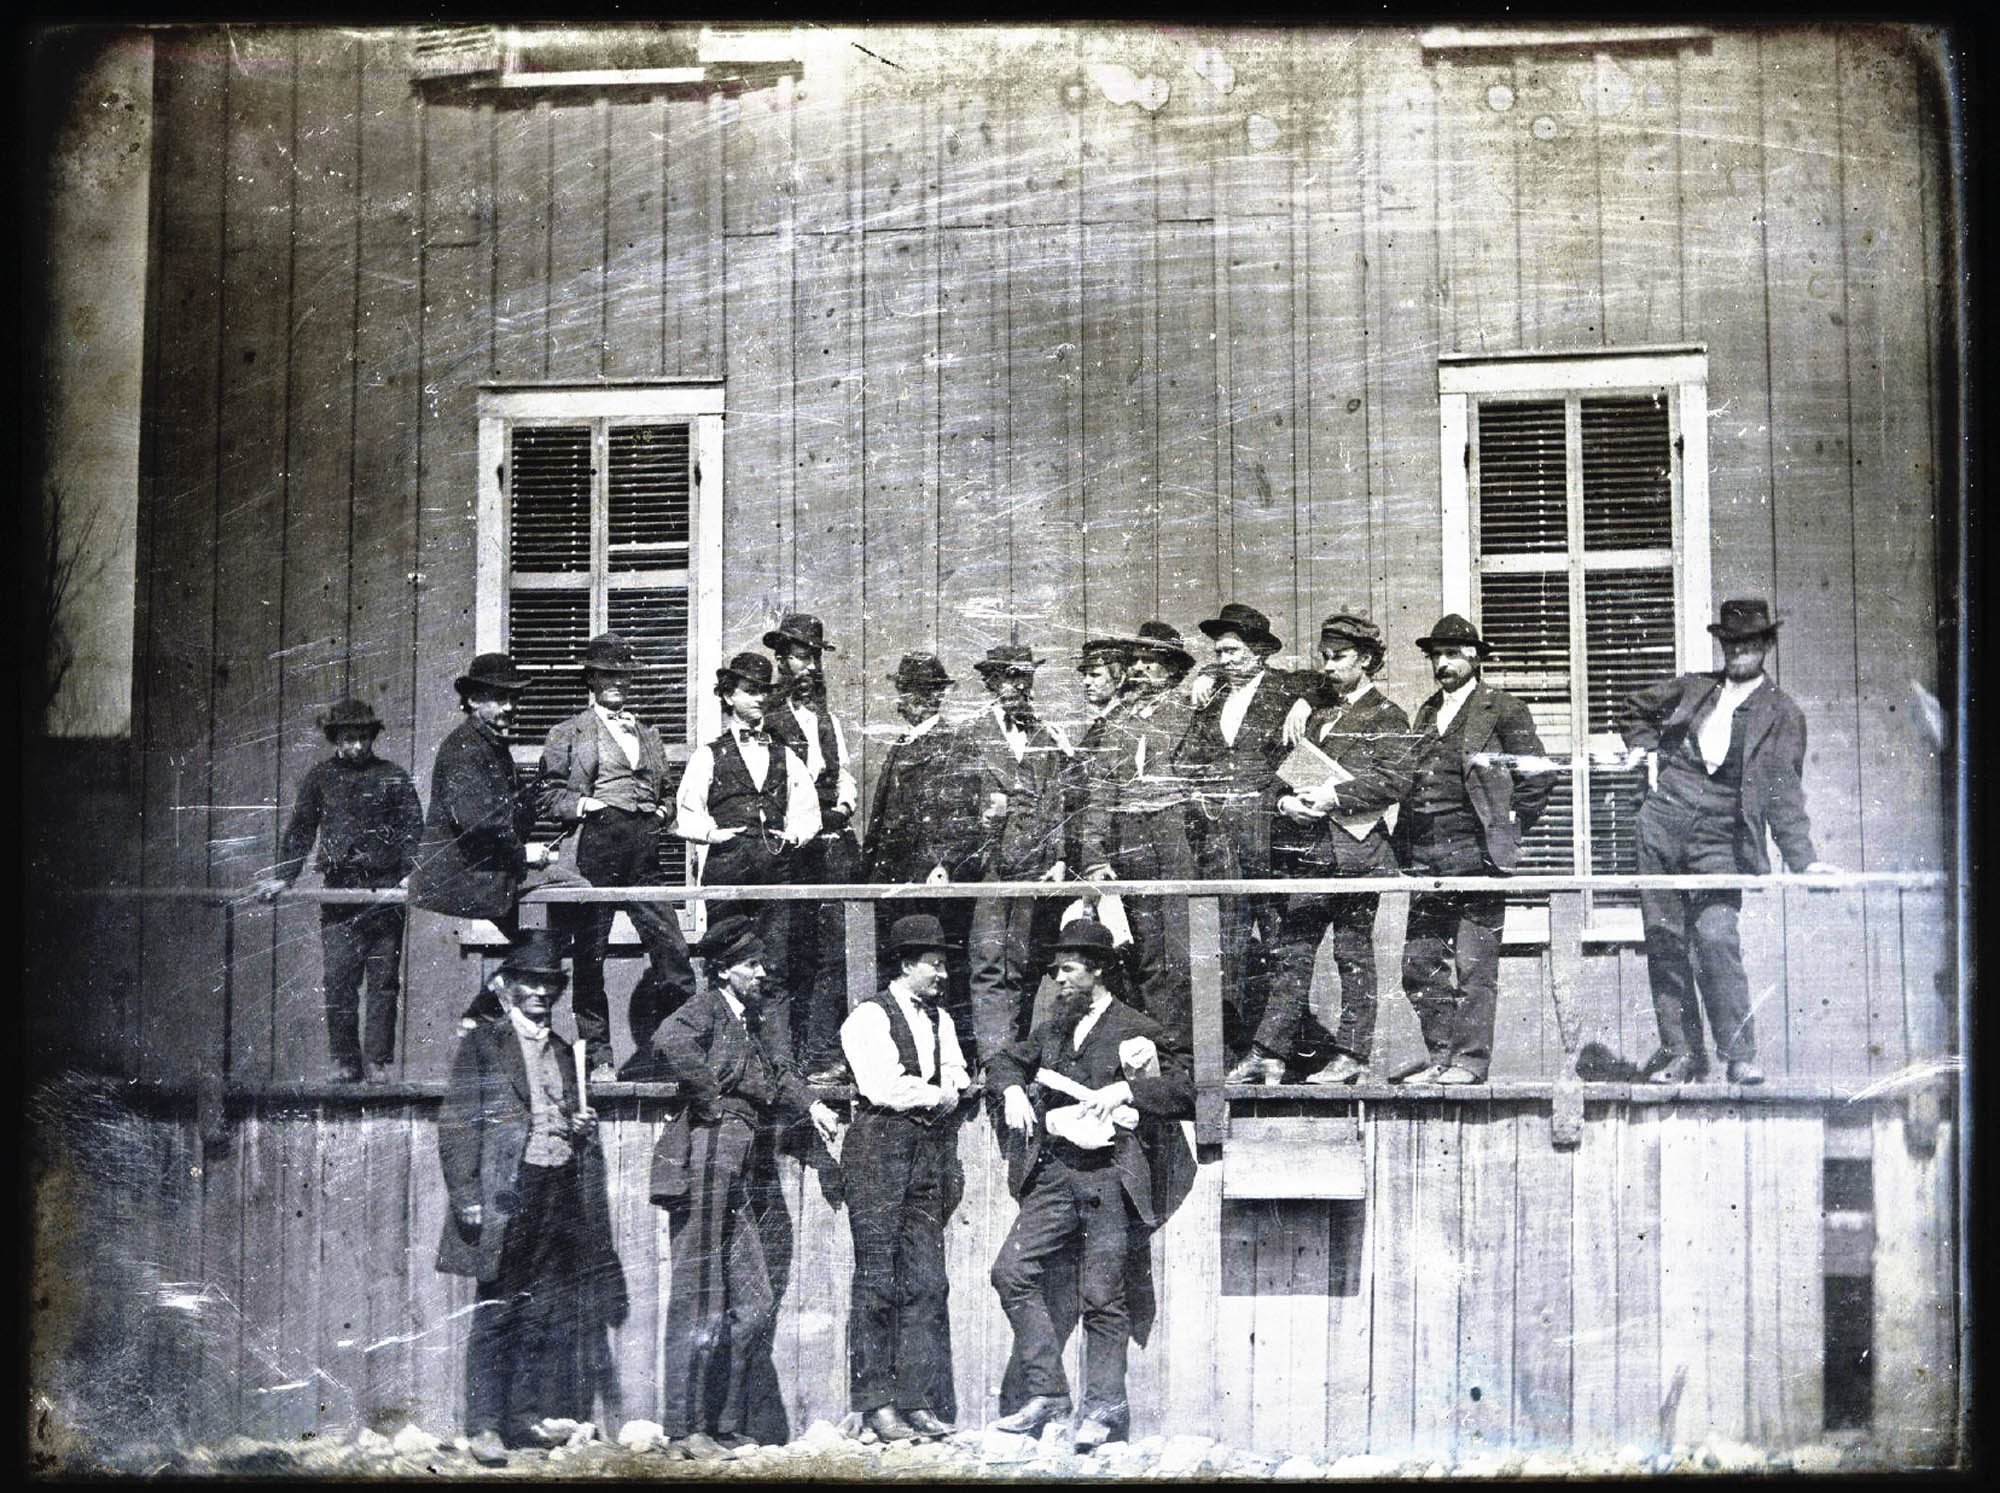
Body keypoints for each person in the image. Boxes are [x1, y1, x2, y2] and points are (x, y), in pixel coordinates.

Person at [987, 920, 1194, 1451]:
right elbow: (1007, 1058)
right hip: (1054, 1176)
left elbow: (1181, 1089)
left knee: (1104, 1296)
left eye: (1070, 970)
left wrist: (1128, 1091)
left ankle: (1104, 1410)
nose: (1059, 979)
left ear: (1099, 970)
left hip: (1108, 1176)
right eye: (1057, 970)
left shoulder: (1134, 1026)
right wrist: (1011, 1089)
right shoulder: (1056, 1026)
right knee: (1011, 1272)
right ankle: (1049, 1394)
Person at [1620, 599, 1840, 1085]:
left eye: (1750, 643)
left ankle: (1739, 1054)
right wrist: (1645, 752)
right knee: (1665, 939)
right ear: (1722, 645)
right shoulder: (1695, 688)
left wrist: (1804, 862)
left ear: (1765, 646)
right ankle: (1680, 1053)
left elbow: (1783, 792)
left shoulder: (1781, 712)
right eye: (1732, 642)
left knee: (1716, 937)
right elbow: (1635, 707)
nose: (1739, 651)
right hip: (1661, 824)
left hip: (1722, 837)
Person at [647, 925, 843, 1456]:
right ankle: (687, 1429)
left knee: (753, 1301)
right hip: (708, 1156)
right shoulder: (708, 1006)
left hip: (738, 1165)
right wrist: (710, 1098)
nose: (762, 973)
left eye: (761, 964)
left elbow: (777, 1082)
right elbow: (669, 1039)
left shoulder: (746, 1022)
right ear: (725, 969)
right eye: (752, 965)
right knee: (700, 1294)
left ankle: (723, 1422)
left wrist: (814, 1107)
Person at [435, 935, 613, 1465]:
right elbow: (458, 1123)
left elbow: (567, 1122)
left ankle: (520, 1418)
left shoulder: (562, 1051)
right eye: (530, 983)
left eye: (549, 983)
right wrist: (466, 1194)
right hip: (506, 1191)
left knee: (541, 1310)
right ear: (508, 989)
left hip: (556, 1187)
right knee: (497, 1308)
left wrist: (582, 1126)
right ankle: (484, 1425)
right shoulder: (484, 1044)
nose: (540, 991)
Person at [1394, 614, 1556, 1085]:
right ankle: (1440, 1056)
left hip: (1478, 856)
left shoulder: (1502, 708)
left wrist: (1511, 824)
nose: (1443, 664)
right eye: (1436, 656)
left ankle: (1469, 1062)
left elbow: (1539, 774)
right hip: (1427, 857)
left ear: (1475, 658)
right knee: (1418, 964)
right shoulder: (1427, 712)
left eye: (1452, 654)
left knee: (1474, 966)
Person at [1257, 613, 1416, 1085]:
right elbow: (1278, 773)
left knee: (1353, 955)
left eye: (1340, 658)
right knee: (1293, 951)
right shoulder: (1317, 714)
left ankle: (1353, 1055)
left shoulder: (1388, 716)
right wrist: (1285, 802)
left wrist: (1335, 797)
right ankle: (1269, 1053)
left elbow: (1397, 780)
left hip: (1356, 856)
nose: (1329, 667)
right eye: (1324, 658)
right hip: (1308, 853)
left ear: (1365, 660)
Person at [537, 633, 697, 1081]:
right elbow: (549, 796)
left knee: (671, 948)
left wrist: (663, 812)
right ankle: (600, 1058)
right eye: (608, 675)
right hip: (597, 845)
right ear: (591, 679)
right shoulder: (568, 732)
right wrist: (585, 806)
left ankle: (681, 1053)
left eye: (623, 675)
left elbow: (666, 790)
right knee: (591, 955)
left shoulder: (647, 733)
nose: (617, 683)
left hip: (643, 848)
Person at [838, 914, 972, 1443]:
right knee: (876, 1282)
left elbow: (957, 1069)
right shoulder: (869, 1017)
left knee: (927, 1281)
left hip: (926, 1153)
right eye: (933, 964)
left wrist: (952, 1083)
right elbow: (884, 1086)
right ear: (906, 964)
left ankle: (914, 1399)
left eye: (943, 964)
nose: (942, 974)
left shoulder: (940, 1018)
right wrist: (941, 1093)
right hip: (878, 1149)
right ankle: (876, 1406)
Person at [255, 698, 424, 1083]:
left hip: (385, 895)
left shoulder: (393, 776)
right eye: (349, 738)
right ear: (335, 739)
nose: (358, 747)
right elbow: (300, 829)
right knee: (340, 980)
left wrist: (408, 875)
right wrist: (284, 875)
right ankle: (346, 1062)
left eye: (364, 738)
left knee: (383, 982)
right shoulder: (320, 778)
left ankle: (378, 1062)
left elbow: (415, 828)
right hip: (340, 896)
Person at [1174, 604, 1311, 1076]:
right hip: (1221, 845)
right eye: (1218, 652)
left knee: (1281, 947)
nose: (1224, 659)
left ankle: (1280, 1053)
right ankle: (1232, 1053)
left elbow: (1323, 683)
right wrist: (1197, 793)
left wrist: (1304, 701)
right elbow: (1185, 759)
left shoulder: (1284, 692)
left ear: (1259, 652)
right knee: (1227, 951)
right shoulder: (1210, 699)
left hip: (1273, 843)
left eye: (1233, 650)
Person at [1074, 624, 1199, 1046]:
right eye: (1138, 662)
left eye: (1153, 663)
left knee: (1180, 949)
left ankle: (1182, 1048)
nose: (1142, 670)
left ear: (1173, 671)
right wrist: (1093, 855)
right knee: (1144, 950)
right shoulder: (1118, 725)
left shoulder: (1191, 716)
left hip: (1178, 839)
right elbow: (1098, 795)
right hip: (1131, 843)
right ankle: (1153, 1045)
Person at [762, 614, 865, 1085]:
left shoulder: (826, 718)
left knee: (833, 951)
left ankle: (822, 1054)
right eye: (801, 656)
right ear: (782, 660)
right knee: (786, 953)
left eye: (815, 657)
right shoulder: (767, 719)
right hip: (788, 847)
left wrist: (843, 806)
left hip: (829, 842)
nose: (809, 666)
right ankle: (784, 1060)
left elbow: (842, 771)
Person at [963, 643, 1074, 1068]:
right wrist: (986, 816)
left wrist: (1060, 857)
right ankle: (995, 1061)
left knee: (1023, 961)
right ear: (990, 682)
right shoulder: (970, 735)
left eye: (1024, 678)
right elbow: (953, 804)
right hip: (988, 864)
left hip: (1035, 864)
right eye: (1008, 677)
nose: (1017, 686)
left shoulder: (1046, 736)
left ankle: (1018, 1056)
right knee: (990, 962)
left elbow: (1058, 801)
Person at [862, 652, 983, 1036]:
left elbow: (961, 814)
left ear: (936, 697)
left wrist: (942, 863)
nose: (909, 698)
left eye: (921, 691)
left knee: (936, 969)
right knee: (899, 970)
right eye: (906, 689)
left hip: (929, 884)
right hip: (895, 883)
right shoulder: (902, 744)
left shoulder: (953, 743)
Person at [674, 651, 822, 965]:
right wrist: (713, 835)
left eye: (764, 691)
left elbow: (808, 811)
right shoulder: (708, 754)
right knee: (726, 962)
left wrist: (792, 836)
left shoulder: (784, 754)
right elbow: (686, 813)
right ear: (728, 695)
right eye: (750, 691)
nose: (759, 699)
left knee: (775, 965)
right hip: (726, 870)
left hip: (775, 872)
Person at [409, 653, 551, 942]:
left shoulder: (491, 744)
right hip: (463, 880)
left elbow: (510, 812)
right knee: (540, 950)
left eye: (514, 698)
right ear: (473, 700)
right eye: (500, 698)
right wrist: (523, 853)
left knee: (542, 947)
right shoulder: (464, 748)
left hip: (486, 877)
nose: (510, 707)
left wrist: (541, 784)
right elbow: (482, 822)